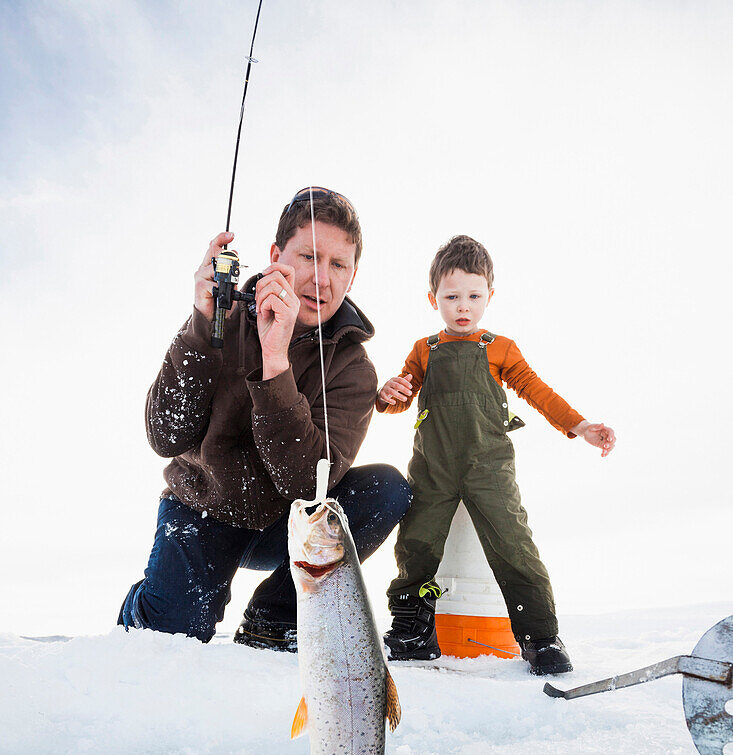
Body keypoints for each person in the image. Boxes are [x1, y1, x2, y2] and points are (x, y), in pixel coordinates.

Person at [119, 188, 410, 648]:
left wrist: (275, 366)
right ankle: (146, 602)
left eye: (339, 264)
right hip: (203, 507)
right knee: (168, 636)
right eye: (309, 256)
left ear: (353, 276)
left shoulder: (354, 369)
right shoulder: (222, 316)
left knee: (387, 489)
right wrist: (200, 324)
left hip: (284, 524)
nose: (322, 278)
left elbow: (306, 484)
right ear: (277, 256)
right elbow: (165, 434)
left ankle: (272, 615)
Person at [376, 234, 616, 675]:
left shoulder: (499, 347)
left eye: (473, 295)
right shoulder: (423, 350)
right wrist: (387, 394)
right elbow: (399, 398)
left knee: (512, 544)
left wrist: (579, 426)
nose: (462, 306)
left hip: (489, 468)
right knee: (416, 542)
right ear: (434, 299)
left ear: (490, 295)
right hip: (433, 468)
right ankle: (411, 626)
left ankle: (540, 637)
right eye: (451, 297)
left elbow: (536, 390)